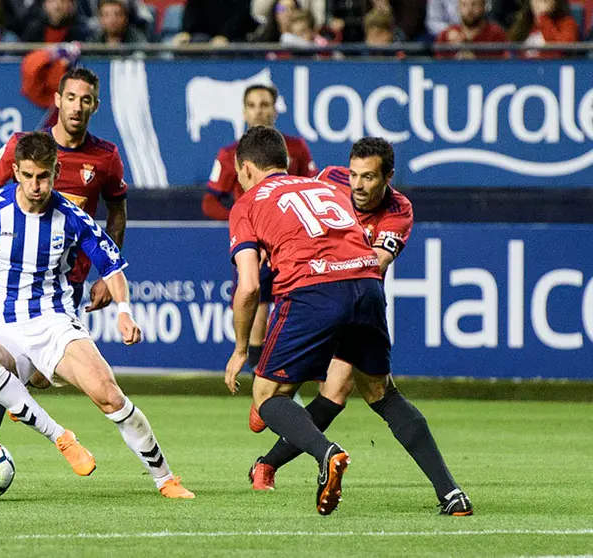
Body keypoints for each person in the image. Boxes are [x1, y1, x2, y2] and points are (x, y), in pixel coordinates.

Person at [0, 132, 195, 499]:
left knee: (109, 396)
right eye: (29, 175)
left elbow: (111, 267)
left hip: (54, 322)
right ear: (15, 171)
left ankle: (166, 479)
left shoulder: (72, 218)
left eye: (44, 176)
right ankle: (61, 437)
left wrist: (124, 312)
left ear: (56, 171)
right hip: (0, 324)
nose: (36, 185)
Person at [223, 126, 472, 516]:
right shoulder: (322, 186)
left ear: (246, 168)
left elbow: (250, 287)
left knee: (268, 397)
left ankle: (327, 454)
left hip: (314, 290)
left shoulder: (248, 202)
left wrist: (240, 349)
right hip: (366, 284)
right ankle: (452, 494)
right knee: (382, 393)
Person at [0, 67, 128, 443]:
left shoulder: (105, 157)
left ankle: (24, 392)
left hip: (66, 282)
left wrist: (106, 272)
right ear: (57, 100)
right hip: (14, 275)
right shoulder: (23, 147)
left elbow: (117, 211)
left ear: (95, 106)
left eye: (86, 100)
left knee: (38, 374)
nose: (77, 107)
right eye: (71, 98)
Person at [249, 137, 414, 491]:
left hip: (355, 295)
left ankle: (266, 461)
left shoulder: (399, 210)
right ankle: (268, 408)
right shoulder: (327, 178)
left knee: (336, 391)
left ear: (388, 177)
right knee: (323, 388)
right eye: (354, 174)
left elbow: (378, 262)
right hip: (319, 291)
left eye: (368, 177)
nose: (357, 185)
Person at [201, 83, 316, 433]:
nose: (259, 111)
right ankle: (268, 393)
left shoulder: (293, 150)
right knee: (258, 315)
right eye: (252, 105)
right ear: (243, 110)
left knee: (293, 312)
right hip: (254, 250)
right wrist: (247, 232)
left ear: (275, 109)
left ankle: (277, 390)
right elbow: (210, 201)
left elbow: (309, 192)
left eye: (265, 104)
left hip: (289, 246)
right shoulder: (229, 154)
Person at [434, 0, 507, 59]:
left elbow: (504, 66)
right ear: (458, 7)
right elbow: (438, 68)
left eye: (474, 4)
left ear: (484, 6)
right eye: (464, 5)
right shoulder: (446, 35)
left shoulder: (496, 33)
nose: (469, 10)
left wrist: (475, 60)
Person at [507, 0, 578, 60]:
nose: (540, 3)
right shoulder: (523, 24)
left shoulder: (567, 23)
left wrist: (543, 17)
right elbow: (509, 53)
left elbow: (561, 50)